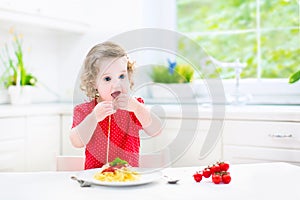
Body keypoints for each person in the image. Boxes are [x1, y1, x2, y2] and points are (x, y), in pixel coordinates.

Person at [70, 41, 162, 169]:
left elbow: (156, 130)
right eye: (107, 79)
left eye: (122, 76)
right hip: (96, 180)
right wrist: (93, 117)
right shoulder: (85, 110)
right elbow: (76, 142)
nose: (117, 84)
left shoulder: (134, 107)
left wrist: (137, 107)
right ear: (93, 83)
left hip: (128, 180)